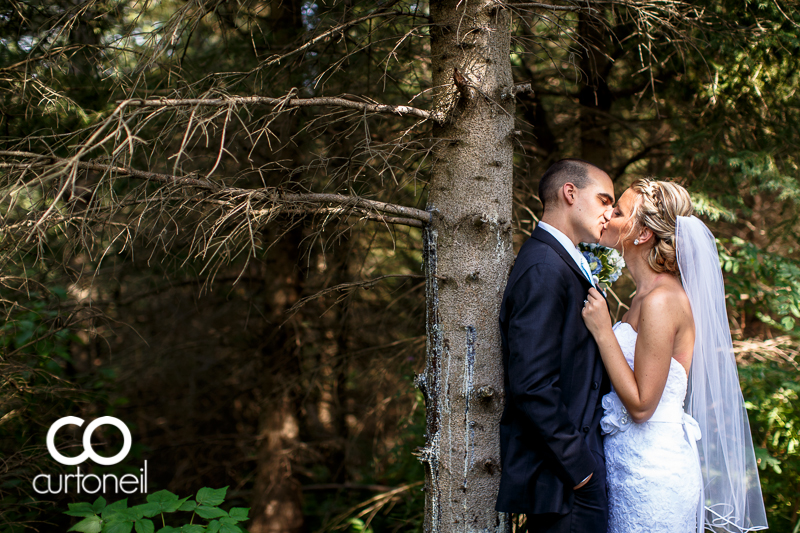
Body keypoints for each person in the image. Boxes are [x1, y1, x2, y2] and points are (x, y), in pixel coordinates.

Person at [582, 178, 768, 533]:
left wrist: (604, 332)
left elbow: (641, 405)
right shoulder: (643, 297)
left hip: (653, 476)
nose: (607, 214)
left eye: (618, 211)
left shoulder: (662, 301)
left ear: (641, 235)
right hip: (629, 464)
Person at [495, 159, 614, 533]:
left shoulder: (560, 260)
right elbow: (532, 384)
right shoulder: (545, 267)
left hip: (569, 477)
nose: (611, 214)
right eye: (604, 201)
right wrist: (582, 471)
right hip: (563, 480)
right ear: (570, 193)